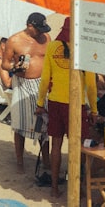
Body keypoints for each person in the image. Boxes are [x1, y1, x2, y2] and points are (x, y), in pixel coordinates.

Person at [35, 17, 98, 198]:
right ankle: (77, 186)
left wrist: (40, 103)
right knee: (79, 148)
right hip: (76, 104)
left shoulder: (53, 47)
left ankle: (54, 188)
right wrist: (94, 109)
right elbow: (91, 85)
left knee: (56, 145)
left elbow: (45, 79)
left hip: (55, 101)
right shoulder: (85, 48)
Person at [2, 12, 51, 171]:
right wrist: (15, 68)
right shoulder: (14, 40)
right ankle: (20, 160)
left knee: (44, 123)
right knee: (20, 123)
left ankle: (46, 160)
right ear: (30, 26)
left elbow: (49, 59)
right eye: (39, 29)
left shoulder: (46, 38)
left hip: (42, 84)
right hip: (22, 84)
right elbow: (4, 64)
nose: (41, 33)